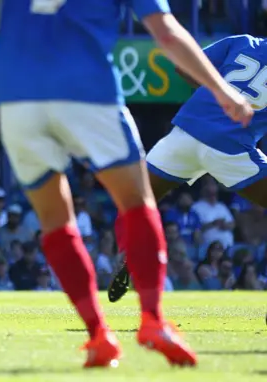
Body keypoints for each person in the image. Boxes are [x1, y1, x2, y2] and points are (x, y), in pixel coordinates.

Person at [0, 0, 254, 368]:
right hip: (88, 92)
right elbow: (166, 32)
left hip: (18, 99)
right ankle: (153, 322)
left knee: (56, 221)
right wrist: (222, 91)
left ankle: (98, 336)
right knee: (137, 202)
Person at [110, 34, 267, 303]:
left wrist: (213, 94)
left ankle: (130, 254)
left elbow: (183, 66)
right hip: (231, 146)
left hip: (185, 135)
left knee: (134, 200)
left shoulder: (241, 41)